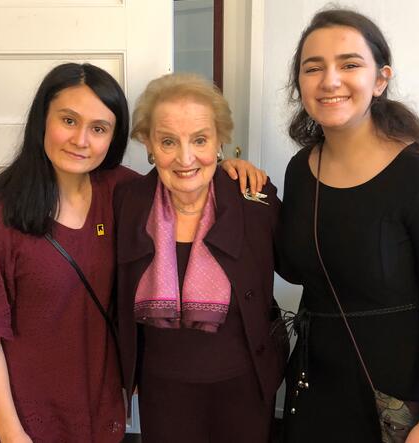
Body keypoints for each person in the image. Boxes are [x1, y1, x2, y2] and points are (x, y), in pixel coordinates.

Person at [0, 63, 263, 443]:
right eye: (68, 120)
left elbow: (185, 178)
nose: (81, 140)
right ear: (42, 121)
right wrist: (9, 430)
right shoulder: (0, 218)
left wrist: (227, 168)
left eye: (98, 128)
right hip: (28, 409)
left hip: (101, 403)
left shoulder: (122, 193)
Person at [277, 9, 419, 443]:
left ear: (380, 79)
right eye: (314, 68)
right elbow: (296, 269)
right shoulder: (299, 169)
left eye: (349, 64)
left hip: (397, 402)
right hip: (313, 388)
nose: (330, 80)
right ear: (301, 84)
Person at [114, 73, 288, 443]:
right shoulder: (127, 203)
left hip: (245, 385)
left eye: (200, 139)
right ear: (147, 142)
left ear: (220, 140)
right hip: (162, 389)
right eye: (167, 141)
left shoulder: (254, 199)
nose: (185, 157)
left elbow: (299, 265)